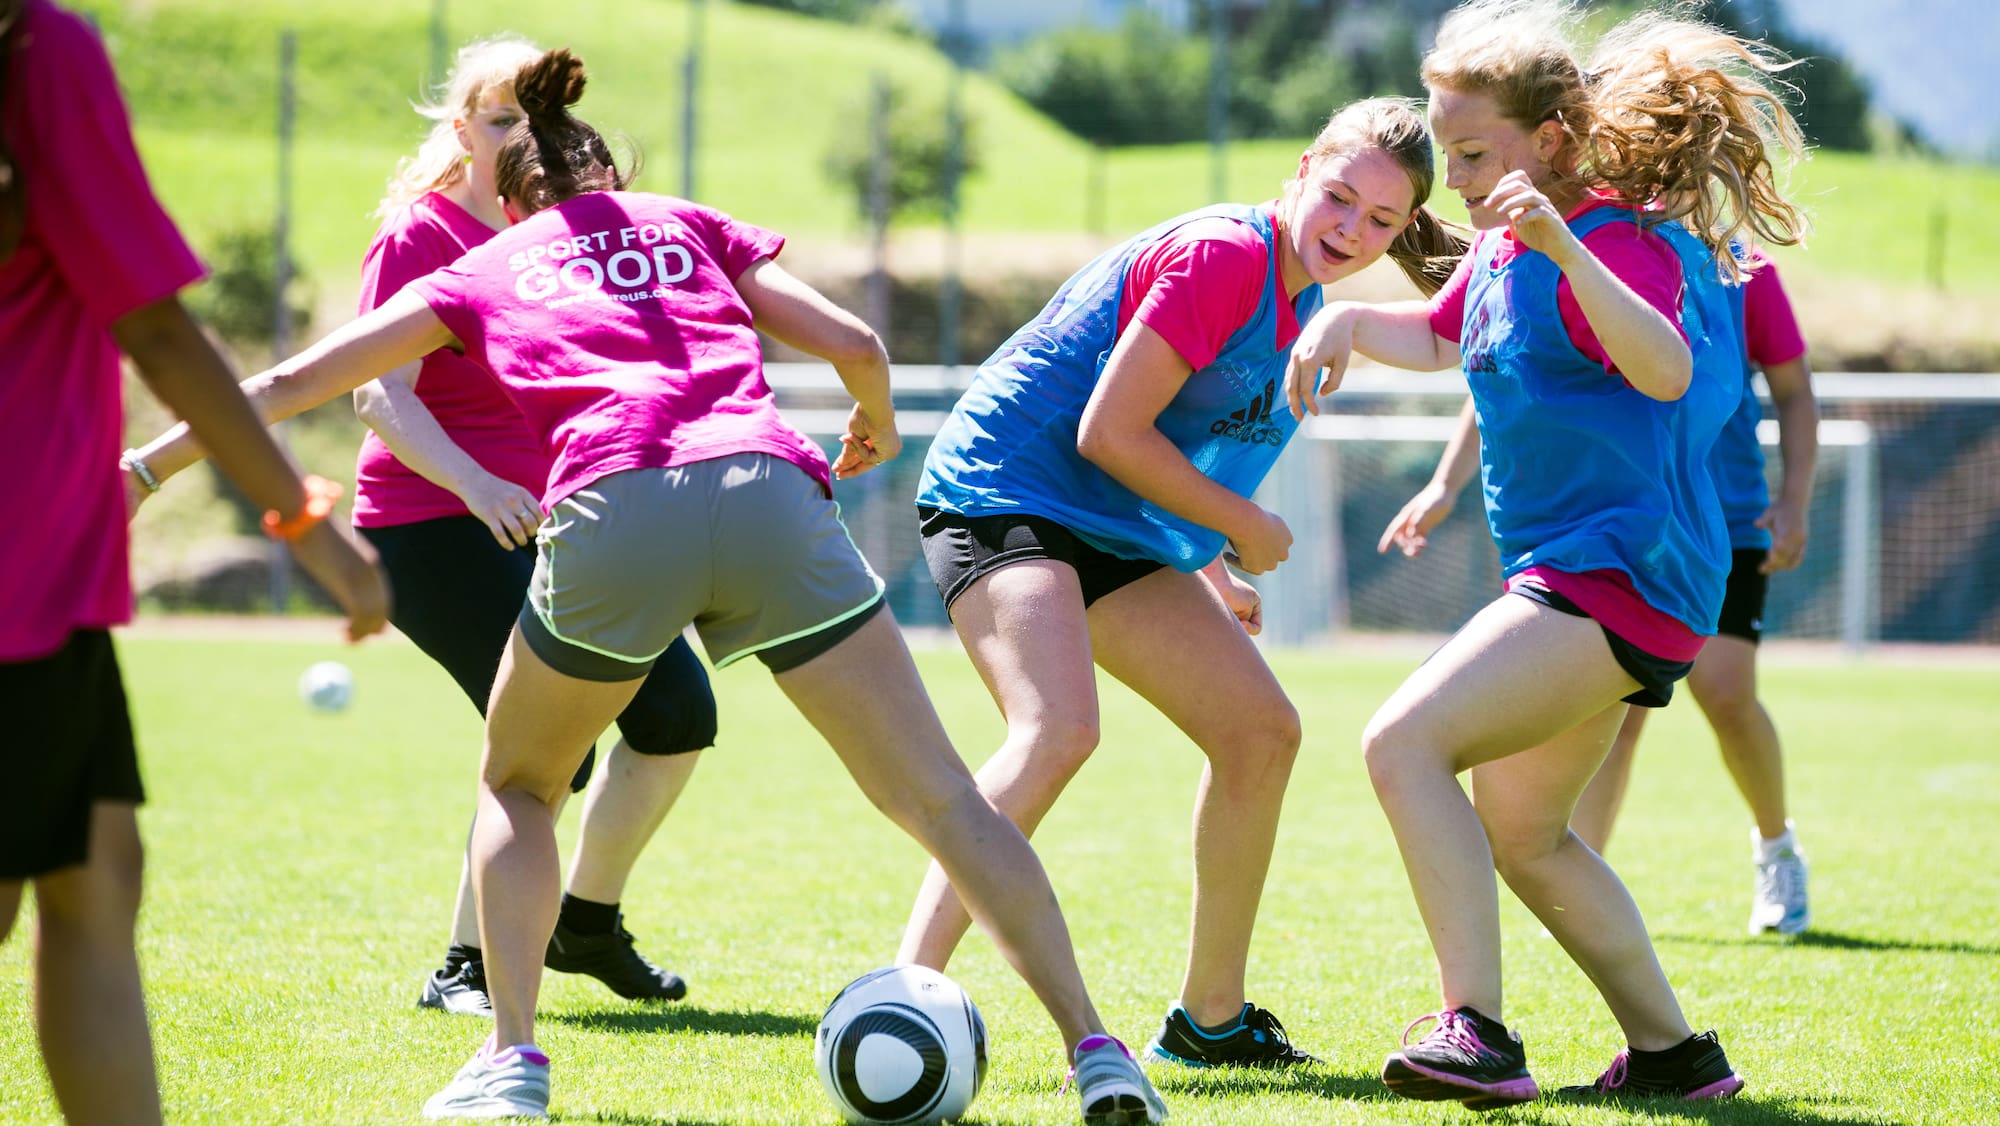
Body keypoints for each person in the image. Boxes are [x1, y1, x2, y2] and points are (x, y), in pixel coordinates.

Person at [195, 49, 1168, 1124]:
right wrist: (877, 422)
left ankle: (512, 1062)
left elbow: (296, 381)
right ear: (611, 175)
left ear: (513, 202)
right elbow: (853, 340)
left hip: (618, 507)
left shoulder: (490, 259)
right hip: (768, 491)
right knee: (942, 796)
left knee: (521, 785)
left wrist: (150, 466)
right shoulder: (684, 221)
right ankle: (1097, 1052)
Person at [1285, 0, 1808, 1107]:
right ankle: (1674, 1057)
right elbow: (1441, 335)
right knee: (1526, 835)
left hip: (1621, 570)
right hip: (1578, 575)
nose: (1457, 179)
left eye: (1475, 154)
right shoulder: (1492, 249)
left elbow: (1665, 369)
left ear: (1553, 140)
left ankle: (1475, 1032)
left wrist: (1564, 244)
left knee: (1402, 743)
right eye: (1448, 153)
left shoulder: (1613, 240)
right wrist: (1346, 324)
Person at [124, 35, 710, 1016]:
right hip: (436, 523)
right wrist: (479, 485)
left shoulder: (566, 226)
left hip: (554, 522)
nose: (522, 137)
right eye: (500, 119)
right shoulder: (419, 236)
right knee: (545, 752)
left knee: (678, 716)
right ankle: (464, 970)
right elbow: (376, 394)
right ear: (462, 129)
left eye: (537, 118)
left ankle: (586, 922)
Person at [904, 96, 1461, 1070]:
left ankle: (1208, 1023)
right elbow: (1108, 431)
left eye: (1380, 220)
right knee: (1056, 730)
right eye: (1339, 196)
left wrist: (1206, 565)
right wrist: (1239, 526)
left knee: (1259, 731)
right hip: (1004, 492)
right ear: (1301, 170)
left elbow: (1170, 441)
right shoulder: (1225, 258)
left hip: (1106, 519)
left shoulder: (1305, 306)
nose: (1350, 229)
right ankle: (900, 992)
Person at [0, 2, 389, 1122]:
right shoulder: (37, 53)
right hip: (16, 580)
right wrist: (307, 524)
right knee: (71, 887)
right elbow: (160, 333)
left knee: (96, 870)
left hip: (33, 590)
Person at [1380, 246, 1818, 936]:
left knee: (1728, 695)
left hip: (1723, 522)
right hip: (1623, 524)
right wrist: (1444, 484)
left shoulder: (1741, 266)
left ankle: (1777, 847)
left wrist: (1794, 500)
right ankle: (1577, 887)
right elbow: (1509, 364)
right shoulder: (1602, 245)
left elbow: (1794, 388)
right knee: (1615, 716)